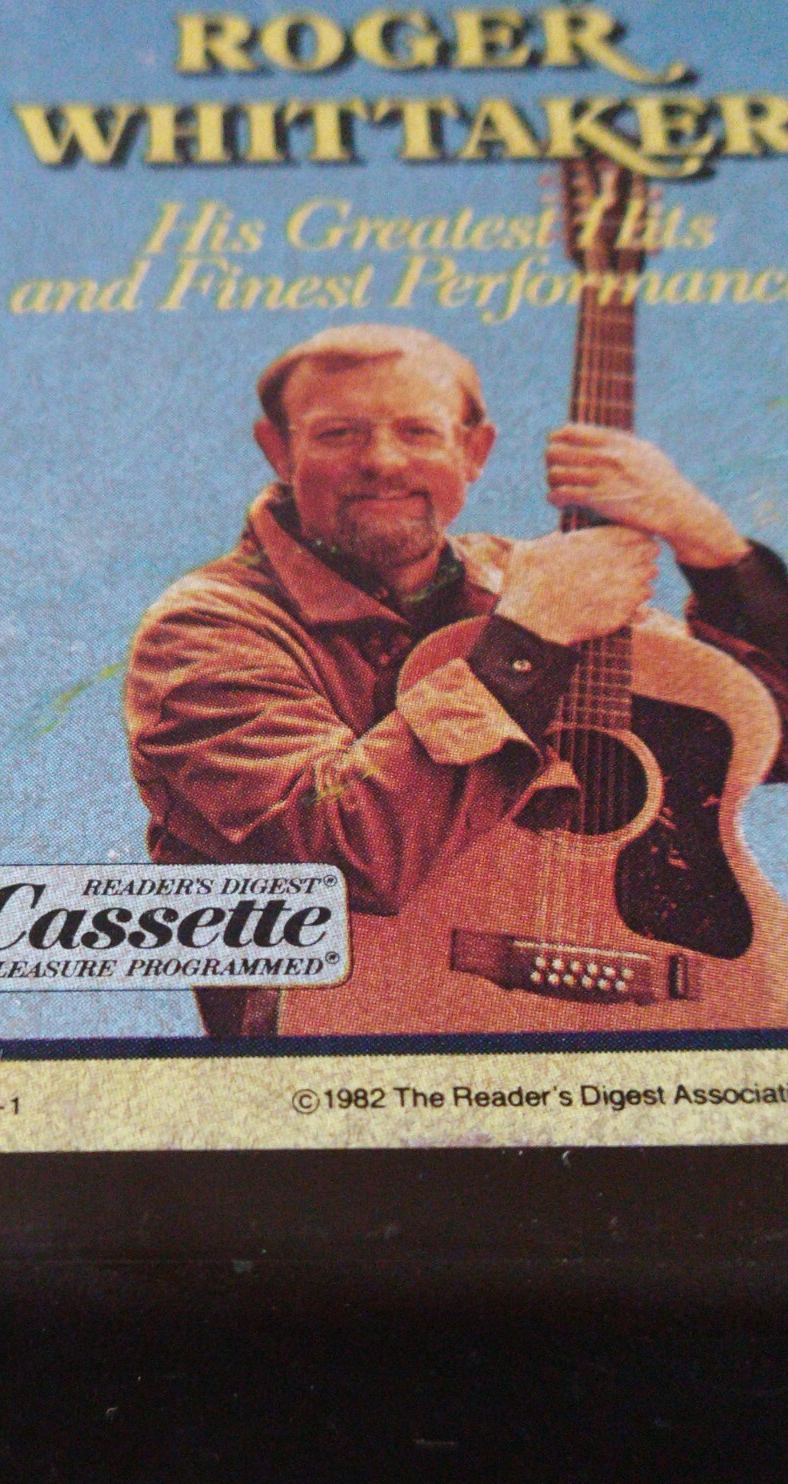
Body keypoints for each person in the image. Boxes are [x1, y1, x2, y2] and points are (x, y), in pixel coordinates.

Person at [123, 324, 788, 1037]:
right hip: (368, 1040)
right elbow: (343, 859)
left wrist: (710, 545)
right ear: (279, 450)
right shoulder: (204, 629)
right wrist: (525, 642)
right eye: (340, 434)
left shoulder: (521, 579)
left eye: (418, 431)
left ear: (475, 453)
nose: (382, 461)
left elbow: (756, 737)